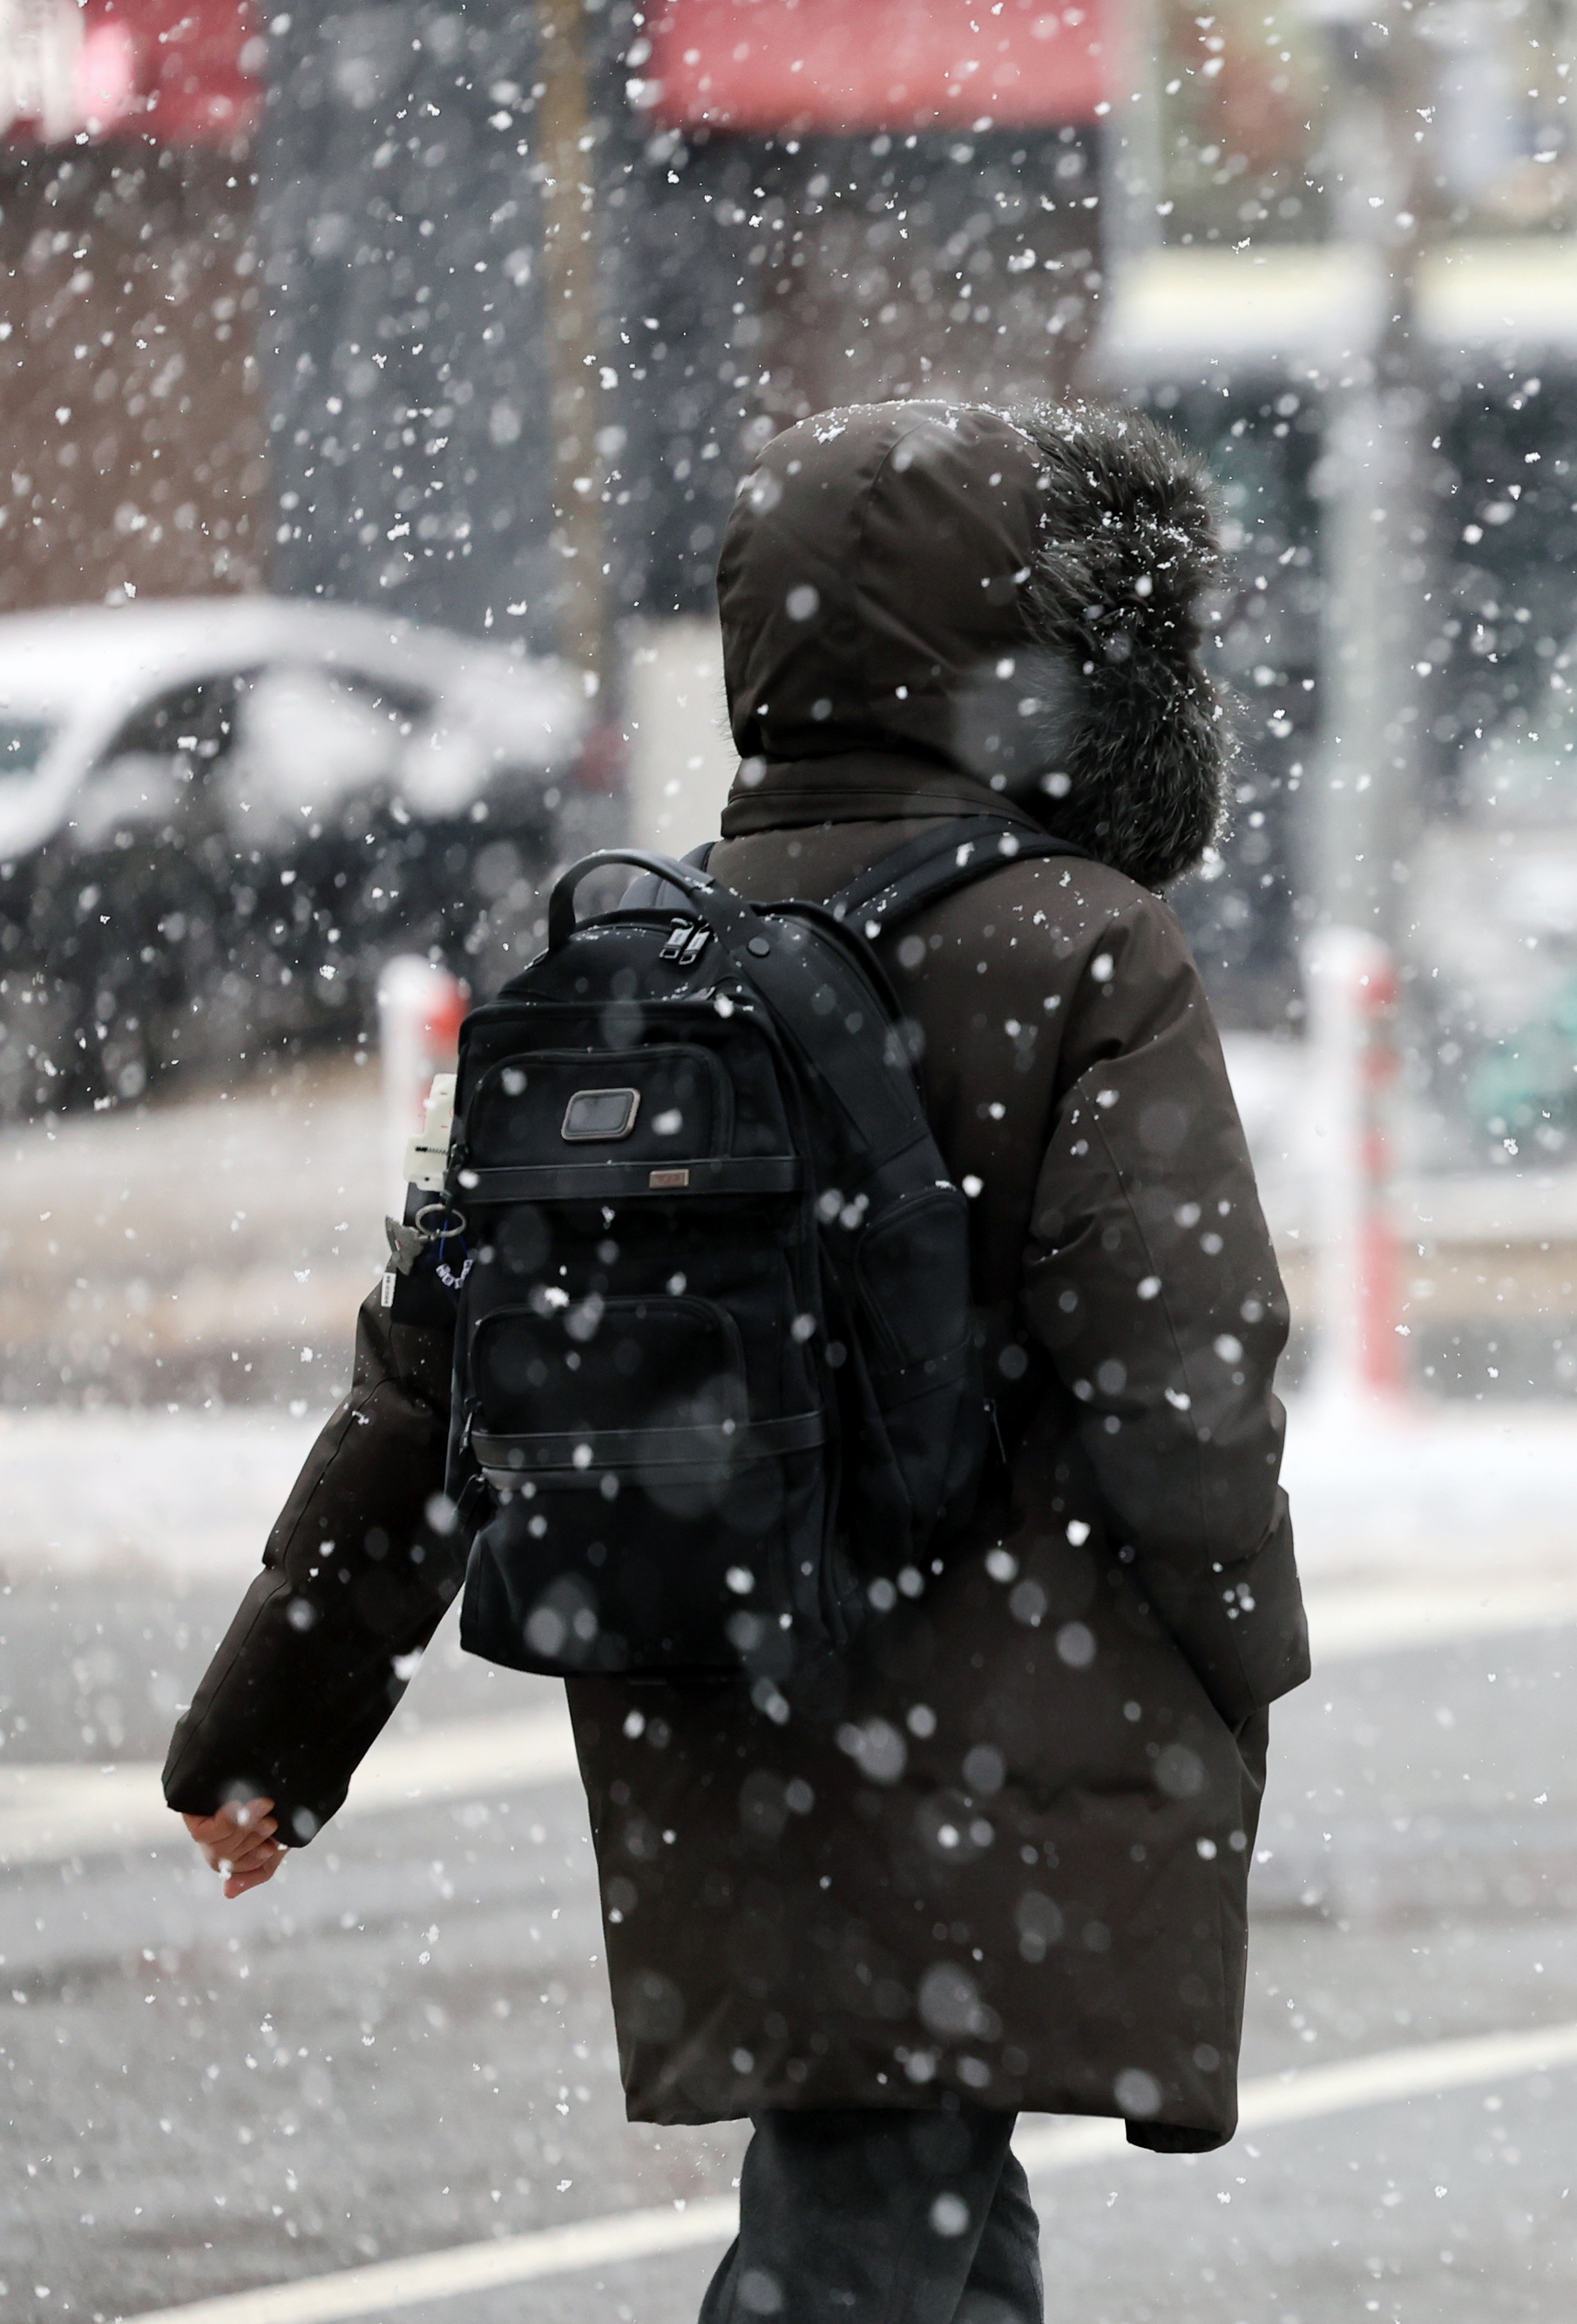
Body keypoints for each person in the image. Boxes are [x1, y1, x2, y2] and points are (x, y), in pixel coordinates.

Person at [166, 399, 1309, 2324]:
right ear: (1052, 671)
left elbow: (434, 1366)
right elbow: (1184, 1360)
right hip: (1002, 1694)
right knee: (870, 2222)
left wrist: (277, 1721)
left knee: (902, 2176)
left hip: (709, 1680)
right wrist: (1234, 1646)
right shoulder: (1082, 948)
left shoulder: (616, 957)